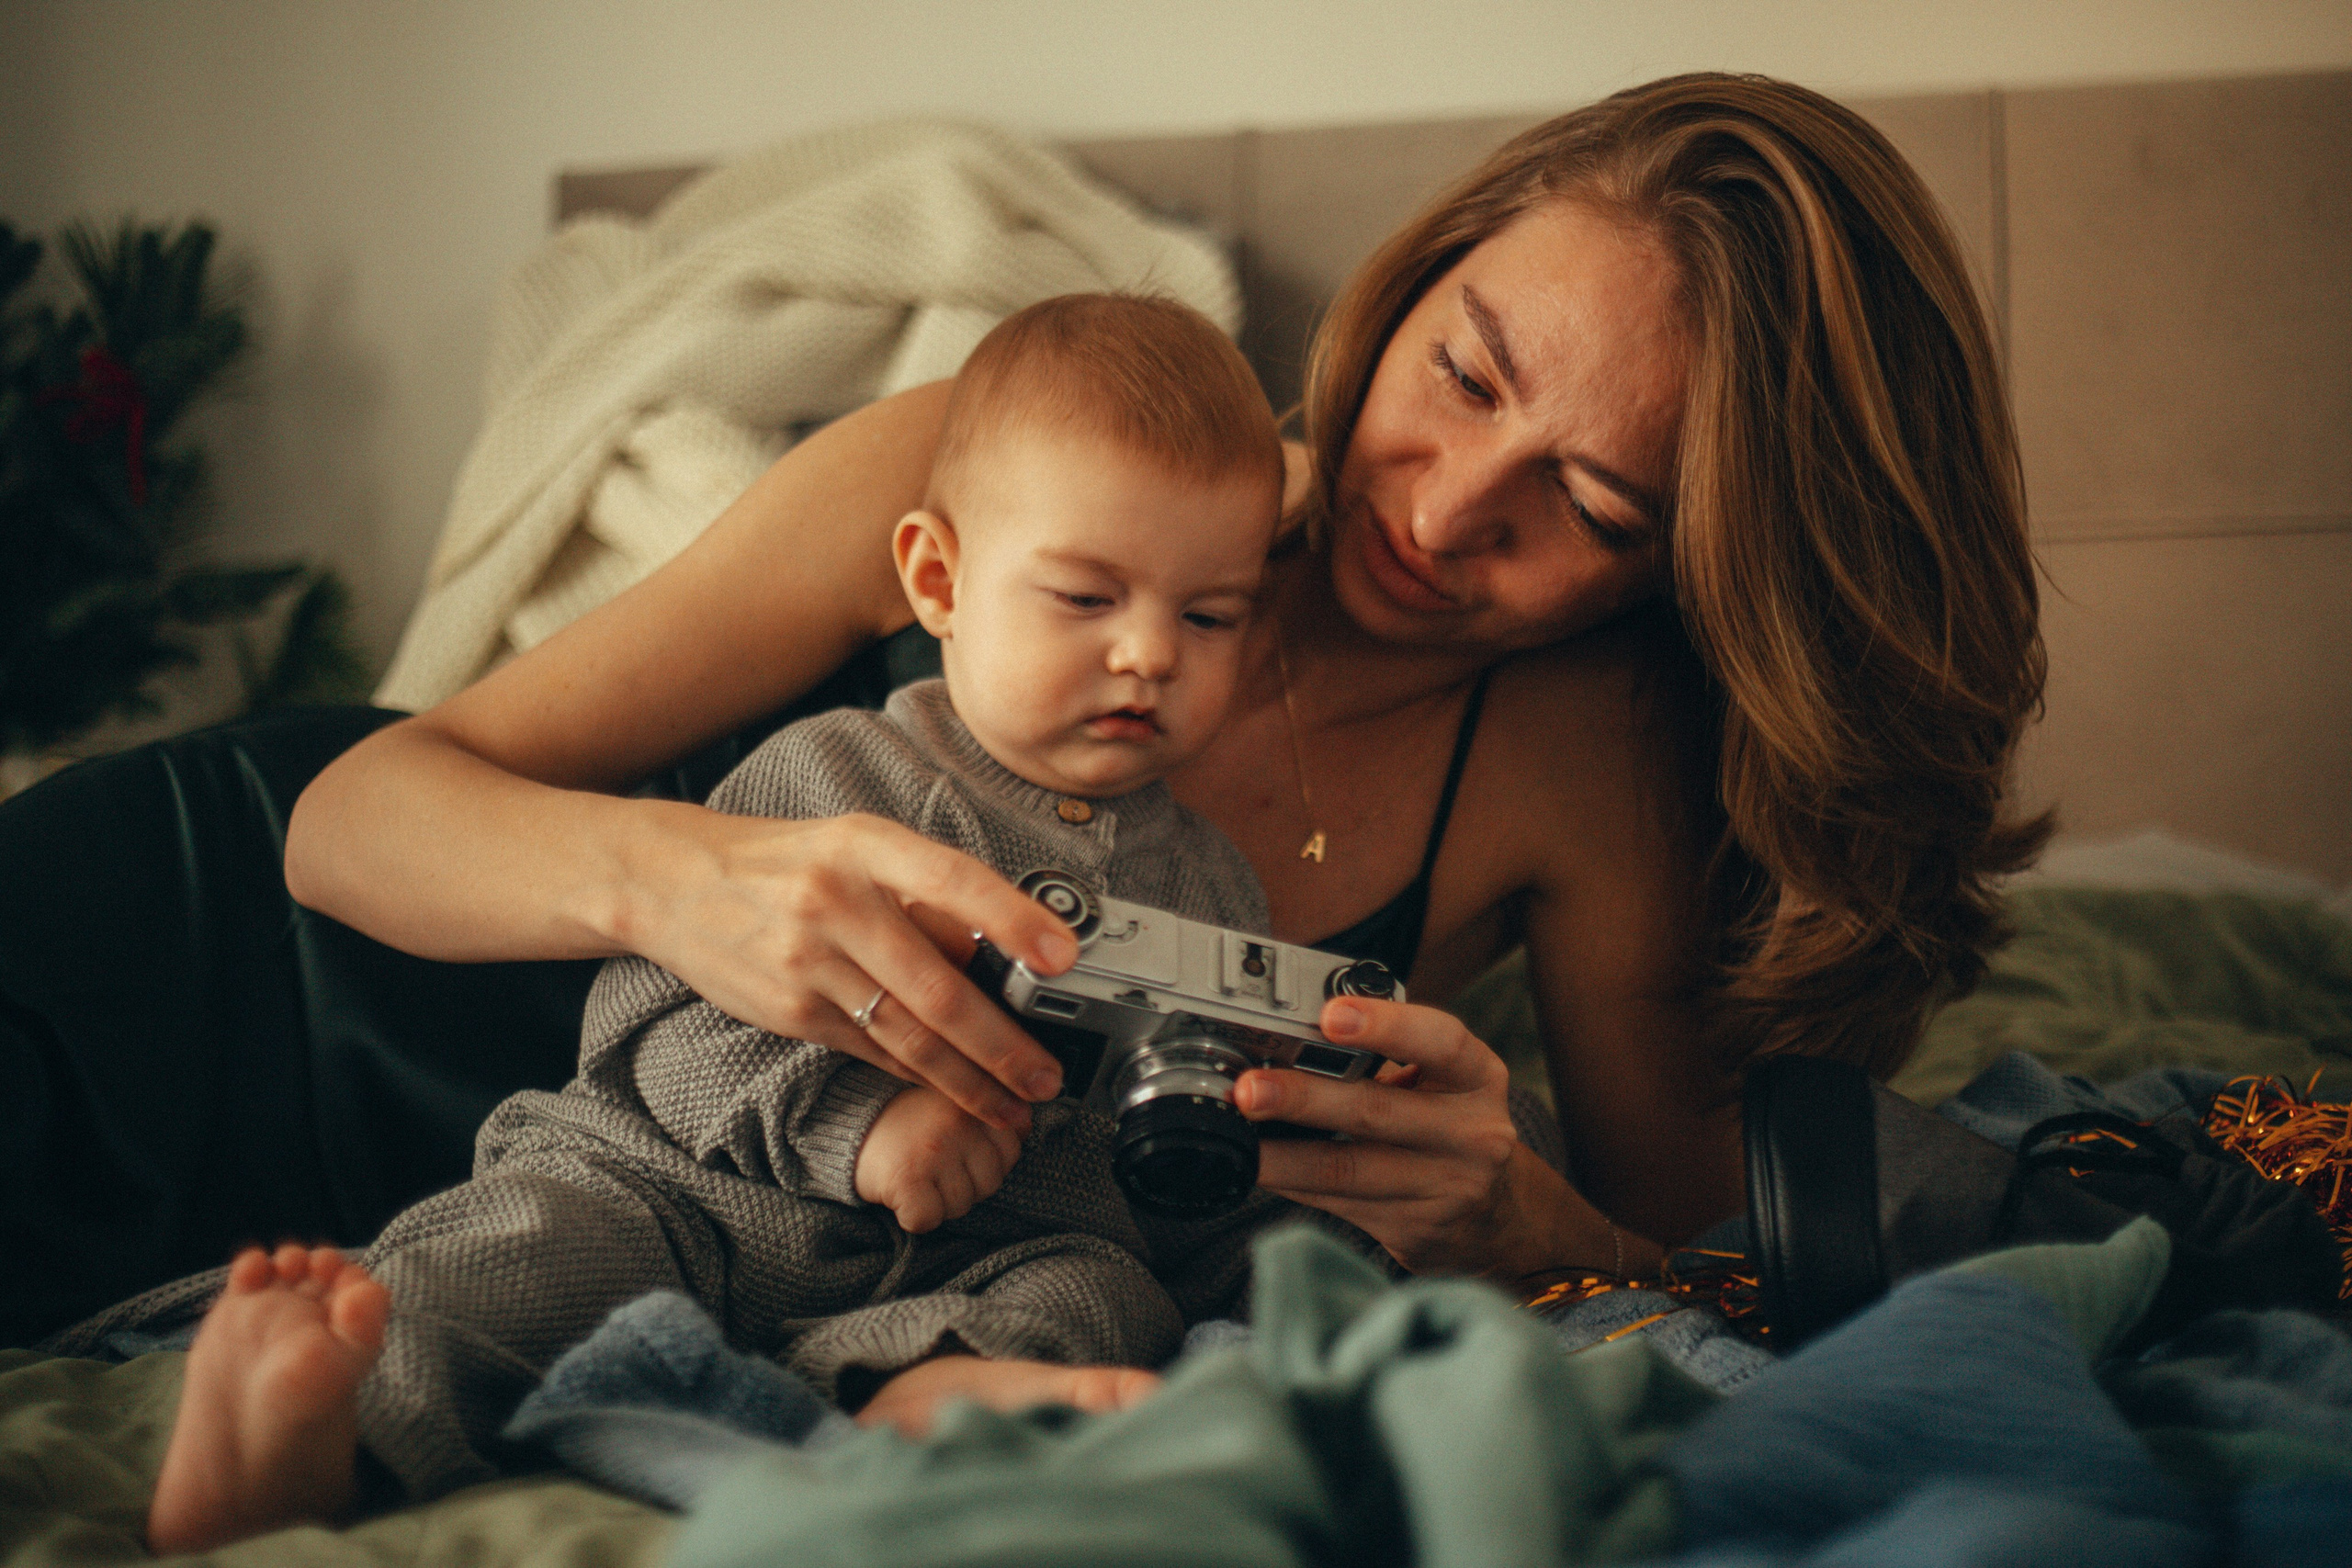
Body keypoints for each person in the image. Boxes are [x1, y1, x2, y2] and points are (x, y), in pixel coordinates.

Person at [281, 73, 2048, 1436]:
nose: (1442, 510)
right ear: (1427, 261)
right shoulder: (997, 460)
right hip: (383, 1049)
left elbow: (1680, 1274)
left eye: (1587, 506)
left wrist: (1503, 1215)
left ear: (1696, 566)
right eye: (1465, 370)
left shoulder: (1587, 761)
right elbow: (351, 820)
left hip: (909, 1271)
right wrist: (697, 884)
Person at [152, 292, 1446, 1552]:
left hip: (992, 1259)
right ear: (938, 580)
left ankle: (931, 1399)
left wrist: (1328, 1203)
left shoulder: (1213, 889)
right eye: (1086, 599)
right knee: (525, 1244)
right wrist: (859, 1123)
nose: (1150, 654)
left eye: (1206, 615)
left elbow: (1192, 1173)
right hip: (691, 1195)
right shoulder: (834, 777)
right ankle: (322, 1425)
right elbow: (657, 1027)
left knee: (1109, 1298)